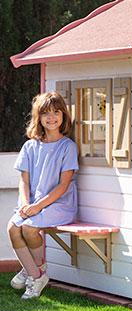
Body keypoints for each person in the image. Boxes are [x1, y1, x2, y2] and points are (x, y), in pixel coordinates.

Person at [7, 92, 79, 299]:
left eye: (56, 112)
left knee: (29, 229)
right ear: (38, 117)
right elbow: (24, 181)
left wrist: (37, 207)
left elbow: (63, 186)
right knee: (13, 228)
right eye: (46, 113)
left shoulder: (68, 147)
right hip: (33, 203)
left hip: (60, 204)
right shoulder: (30, 146)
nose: (51, 117)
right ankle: (35, 271)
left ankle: (34, 274)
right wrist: (25, 203)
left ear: (63, 115)